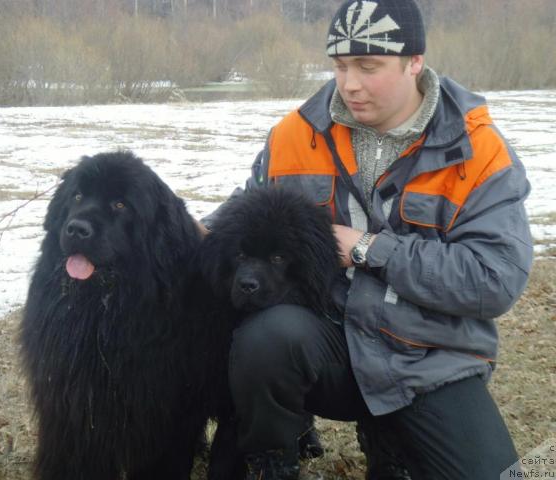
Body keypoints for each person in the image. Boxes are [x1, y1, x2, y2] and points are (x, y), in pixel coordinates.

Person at [203, 0, 533, 478]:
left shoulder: (479, 151)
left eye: (368, 66)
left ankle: (391, 438)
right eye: (340, 66)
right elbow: (248, 211)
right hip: (327, 343)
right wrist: (192, 230)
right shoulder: (294, 135)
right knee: (266, 338)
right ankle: (269, 459)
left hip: (429, 360)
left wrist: (369, 248)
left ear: (414, 62)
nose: (350, 83)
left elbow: (494, 280)